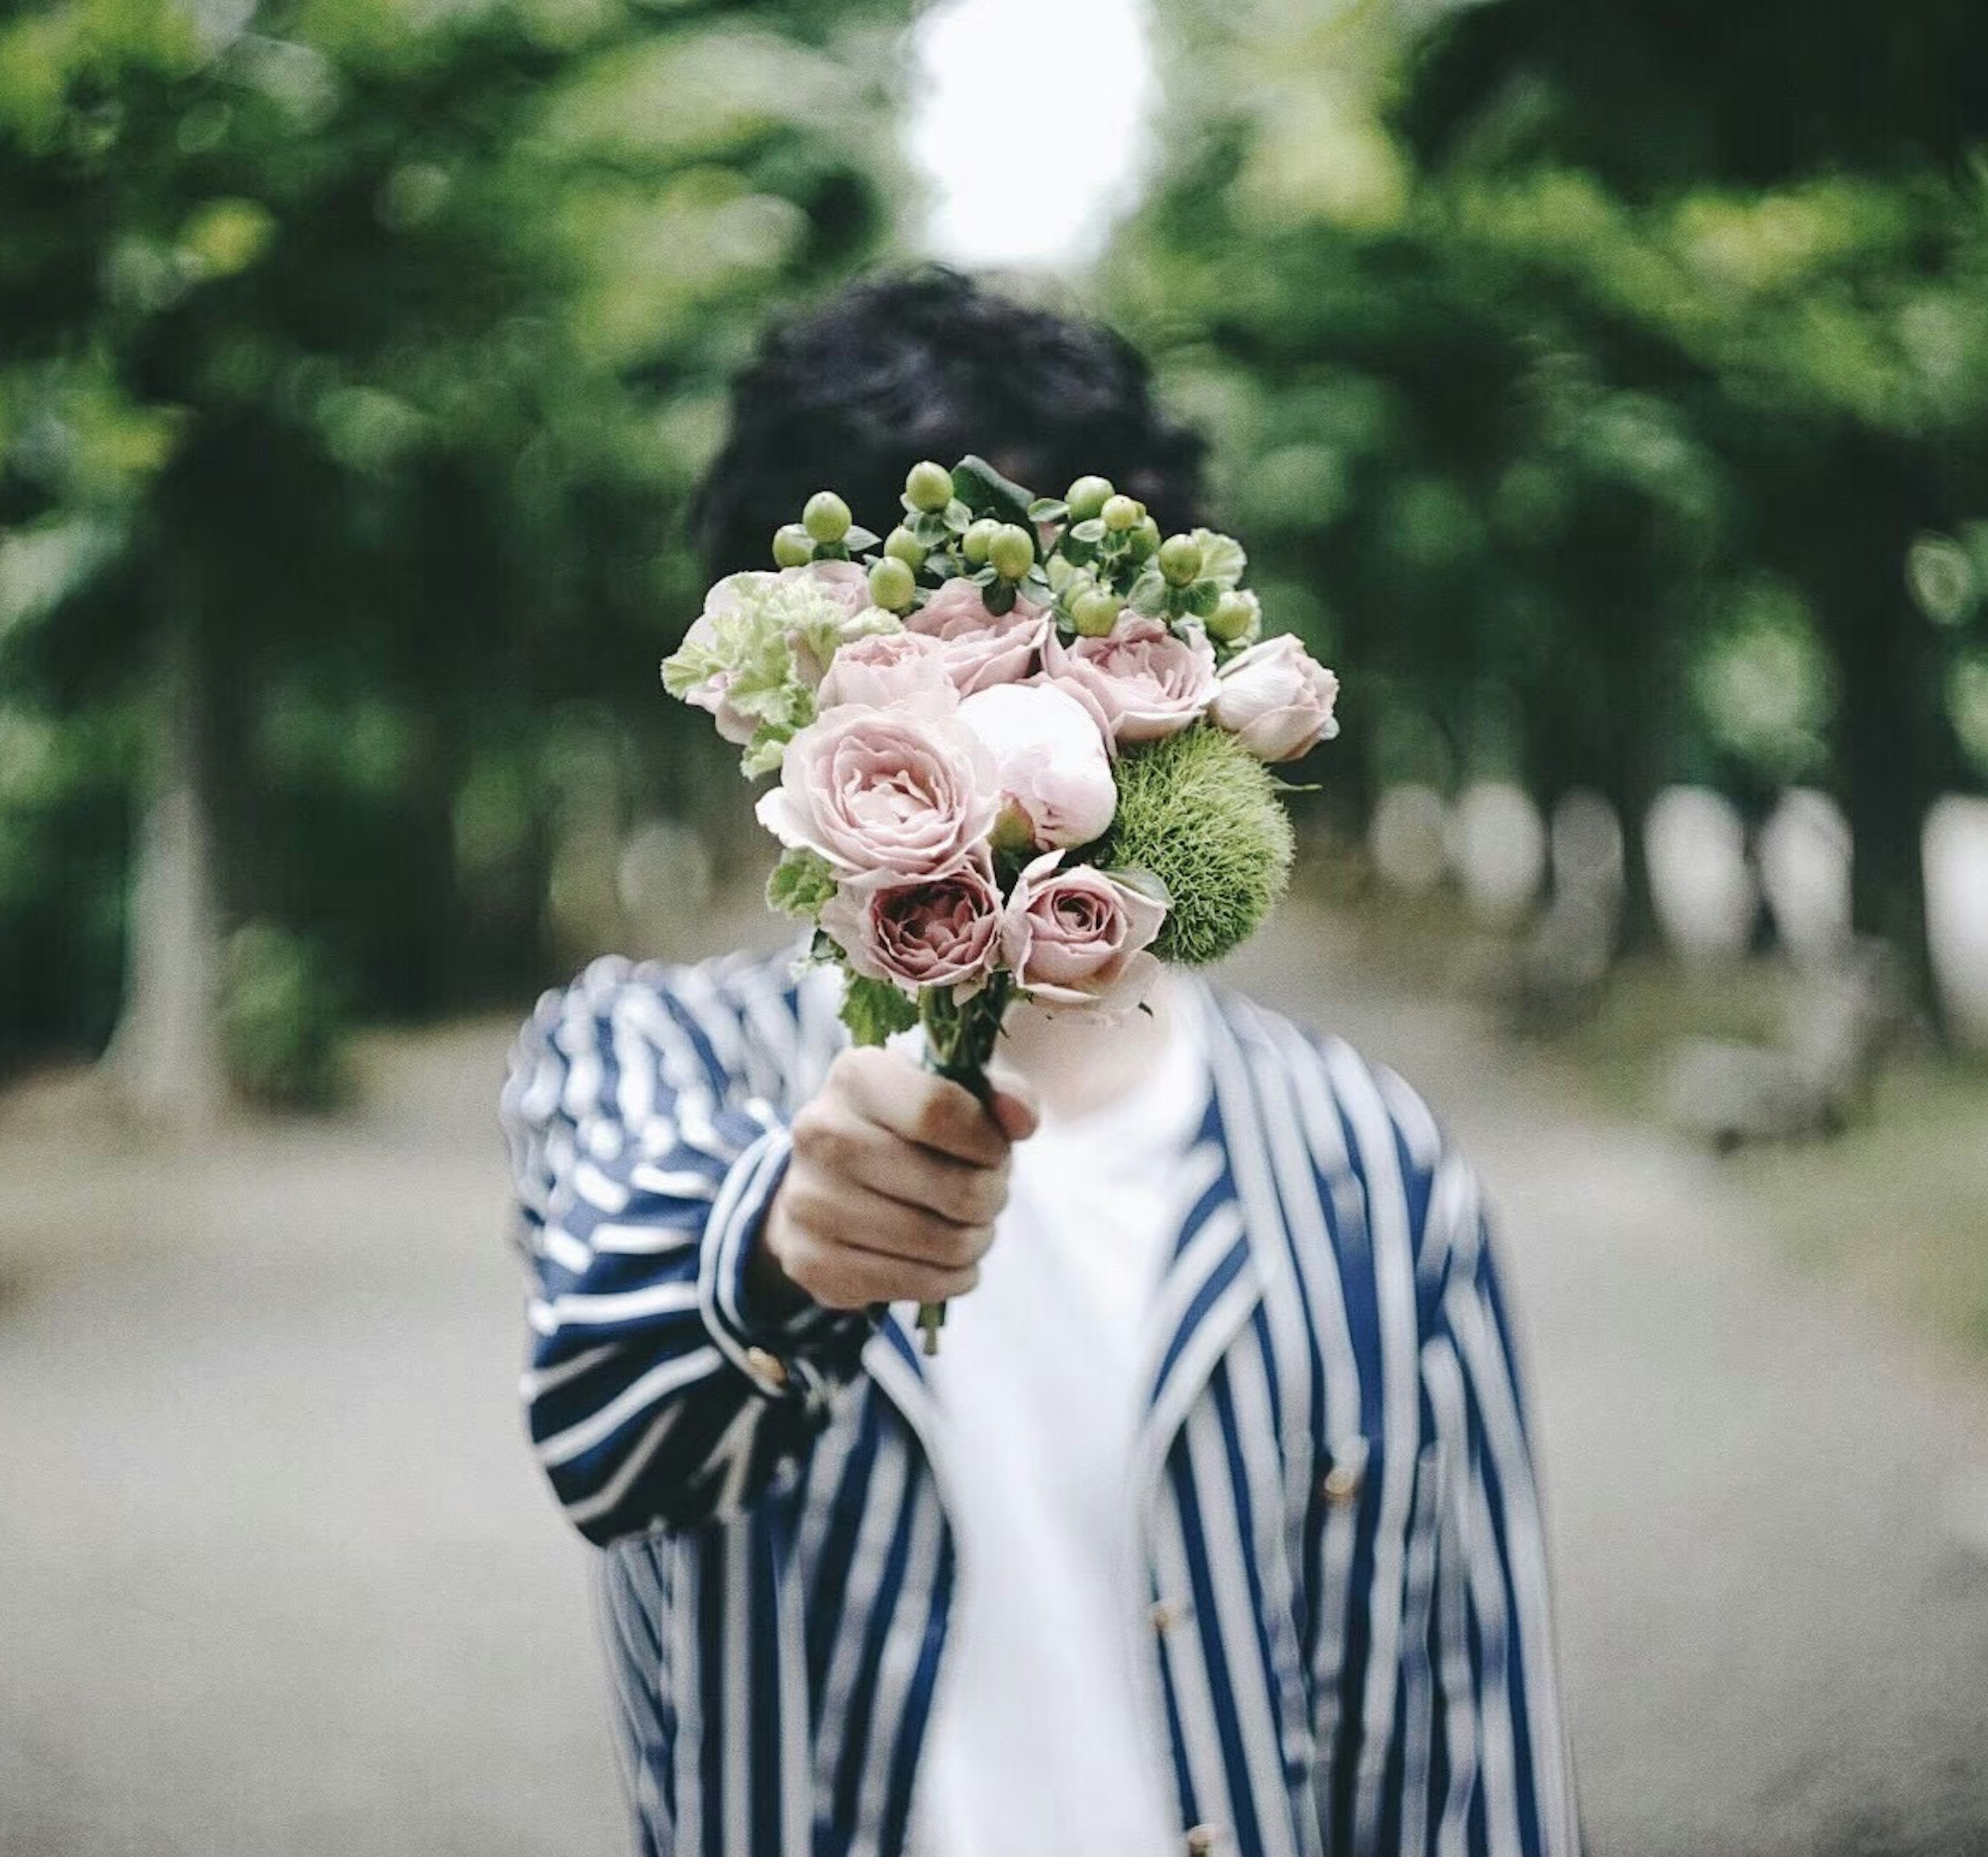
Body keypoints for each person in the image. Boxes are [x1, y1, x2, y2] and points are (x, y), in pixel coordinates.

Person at [502, 269, 1577, 1857]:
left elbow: (1468, 1731)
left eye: (1063, 632)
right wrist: (788, 1246)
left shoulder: (1372, 1161)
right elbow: (604, 1426)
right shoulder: (645, 1053)